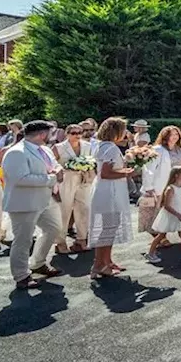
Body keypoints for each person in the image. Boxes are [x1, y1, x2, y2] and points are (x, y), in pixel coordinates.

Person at [0, 121, 65, 289]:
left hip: (45, 199)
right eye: (50, 133)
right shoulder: (16, 152)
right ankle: (21, 275)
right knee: (23, 240)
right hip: (24, 202)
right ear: (42, 134)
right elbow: (20, 179)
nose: (52, 136)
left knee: (54, 228)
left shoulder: (45, 149)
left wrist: (57, 170)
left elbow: (54, 165)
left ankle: (38, 262)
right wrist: (52, 178)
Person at [87, 117, 134, 278]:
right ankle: (98, 264)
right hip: (110, 191)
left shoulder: (101, 145)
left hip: (104, 189)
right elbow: (106, 173)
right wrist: (126, 172)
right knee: (108, 228)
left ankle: (107, 260)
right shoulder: (111, 148)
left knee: (110, 227)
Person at [52, 122, 94, 253]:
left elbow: (92, 161)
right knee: (64, 210)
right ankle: (60, 242)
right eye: (74, 133)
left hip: (84, 179)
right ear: (67, 134)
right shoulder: (58, 147)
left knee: (84, 208)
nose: (77, 135)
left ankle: (81, 239)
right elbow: (52, 165)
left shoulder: (87, 146)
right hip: (66, 180)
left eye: (79, 133)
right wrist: (65, 168)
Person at [146, 166, 181, 264]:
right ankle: (150, 253)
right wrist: (178, 215)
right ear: (176, 175)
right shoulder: (170, 189)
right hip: (171, 213)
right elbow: (167, 206)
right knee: (161, 235)